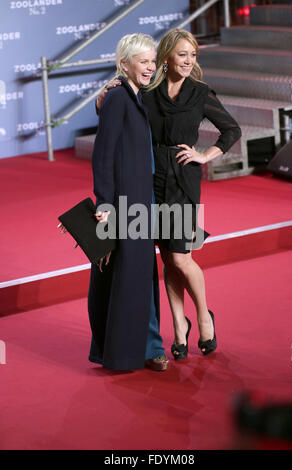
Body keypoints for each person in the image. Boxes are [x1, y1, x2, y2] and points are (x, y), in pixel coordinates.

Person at [96, 29, 242, 360]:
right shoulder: (147, 91)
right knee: (165, 258)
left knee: (180, 256)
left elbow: (232, 129)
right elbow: (119, 112)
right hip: (150, 181)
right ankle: (179, 327)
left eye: (193, 55)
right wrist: (102, 95)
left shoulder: (201, 92)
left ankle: (204, 316)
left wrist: (205, 155)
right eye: (182, 55)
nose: (189, 61)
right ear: (166, 58)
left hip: (183, 181)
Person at [62, 33, 169, 372]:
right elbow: (103, 154)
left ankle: (143, 347)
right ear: (125, 63)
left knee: (138, 275)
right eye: (143, 61)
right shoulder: (117, 99)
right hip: (123, 204)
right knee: (124, 276)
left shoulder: (136, 95)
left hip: (142, 201)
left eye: (152, 61)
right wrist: (104, 202)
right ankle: (127, 353)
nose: (150, 67)